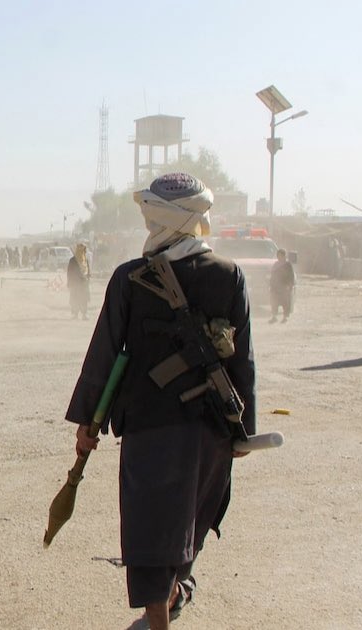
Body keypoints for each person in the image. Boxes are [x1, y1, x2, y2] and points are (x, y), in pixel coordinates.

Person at [65, 173, 255, 630]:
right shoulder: (229, 275)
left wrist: (88, 423)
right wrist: (242, 430)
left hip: (150, 429)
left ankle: (161, 604)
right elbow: (243, 361)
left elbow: (105, 355)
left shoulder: (129, 279)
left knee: (152, 528)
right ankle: (168, 599)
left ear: (159, 218)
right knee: (191, 518)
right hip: (210, 430)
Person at [268, 248, 296, 323]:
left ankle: (285, 317)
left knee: (285, 302)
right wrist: (271, 285)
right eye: (278, 255)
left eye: (281, 255)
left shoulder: (287, 265)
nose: (279, 257)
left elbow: (291, 276)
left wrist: (290, 286)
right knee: (274, 302)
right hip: (275, 287)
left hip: (284, 287)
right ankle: (274, 316)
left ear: (284, 256)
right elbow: (272, 275)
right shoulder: (275, 264)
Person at [66, 242, 91, 319]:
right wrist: (69, 282)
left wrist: (88, 276)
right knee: (75, 298)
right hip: (76, 283)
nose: (84, 252)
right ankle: (75, 314)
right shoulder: (73, 260)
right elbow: (69, 272)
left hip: (84, 283)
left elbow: (88, 270)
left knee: (84, 298)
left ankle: (84, 314)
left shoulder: (85, 259)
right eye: (83, 250)